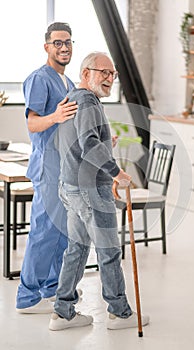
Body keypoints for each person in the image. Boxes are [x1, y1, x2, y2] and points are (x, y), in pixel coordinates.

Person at [49, 52, 150, 331]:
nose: (109, 79)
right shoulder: (89, 102)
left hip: (72, 186)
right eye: (103, 72)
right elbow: (89, 145)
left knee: (77, 249)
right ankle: (120, 313)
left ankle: (62, 311)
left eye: (113, 74)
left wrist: (107, 141)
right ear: (85, 73)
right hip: (91, 190)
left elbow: (76, 141)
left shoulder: (72, 99)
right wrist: (117, 173)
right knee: (108, 251)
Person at [16, 22, 79, 314]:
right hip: (48, 168)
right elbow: (32, 123)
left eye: (67, 42)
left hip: (66, 169)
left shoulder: (68, 83)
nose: (64, 47)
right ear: (47, 47)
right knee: (43, 232)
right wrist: (54, 116)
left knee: (62, 233)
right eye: (58, 43)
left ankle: (53, 288)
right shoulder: (39, 79)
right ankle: (27, 296)